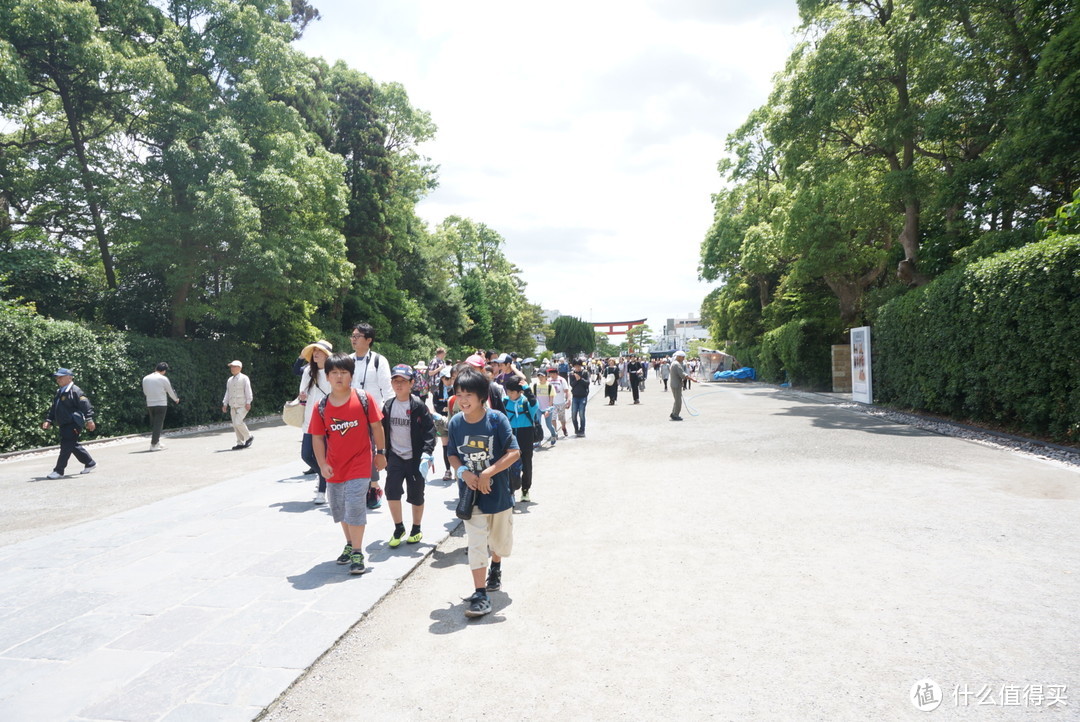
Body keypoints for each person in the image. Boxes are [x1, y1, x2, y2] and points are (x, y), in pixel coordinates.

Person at [447, 368, 520, 618]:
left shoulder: (497, 419)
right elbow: (452, 454)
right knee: (477, 543)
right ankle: (480, 594)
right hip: (472, 496)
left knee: (500, 542)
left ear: (482, 397)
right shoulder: (455, 422)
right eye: (458, 394)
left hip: (498, 492)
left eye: (468, 394)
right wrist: (464, 473)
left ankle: (496, 566)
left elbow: (514, 452)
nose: (463, 400)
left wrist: (488, 472)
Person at [309, 353, 387, 575]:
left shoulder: (363, 398)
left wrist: (380, 453)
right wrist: (322, 464)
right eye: (334, 372)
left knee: (354, 505)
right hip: (334, 467)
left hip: (361, 463)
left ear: (351, 376)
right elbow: (317, 437)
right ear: (327, 376)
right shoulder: (321, 407)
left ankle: (358, 552)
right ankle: (351, 544)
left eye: (344, 372)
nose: (339, 377)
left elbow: (377, 427)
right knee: (341, 509)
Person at [383, 364, 436, 548]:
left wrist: (427, 454)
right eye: (395, 381)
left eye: (403, 381)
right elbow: (382, 431)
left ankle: (416, 528)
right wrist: (381, 453)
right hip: (395, 457)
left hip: (415, 458)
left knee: (416, 495)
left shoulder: (418, 406)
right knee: (391, 492)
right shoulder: (388, 406)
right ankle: (398, 527)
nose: (399, 385)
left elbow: (430, 431)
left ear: (412, 383)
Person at [349, 322, 393, 507]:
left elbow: (387, 389)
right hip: (351, 414)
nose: (353, 339)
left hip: (373, 414)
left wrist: (391, 411)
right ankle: (360, 486)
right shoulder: (347, 360)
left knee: (372, 452)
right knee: (354, 452)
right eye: (352, 336)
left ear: (368, 340)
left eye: (357, 336)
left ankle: (374, 487)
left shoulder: (378, 360)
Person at [42, 368, 97, 478]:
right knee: (72, 445)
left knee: (66, 446)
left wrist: (89, 420)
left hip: (73, 423)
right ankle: (90, 463)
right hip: (64, 423)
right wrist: (48, 420)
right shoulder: (60, 391)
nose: (58, 379)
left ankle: (58, 471)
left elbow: (86, 406)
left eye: (60, 377)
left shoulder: (76, 391)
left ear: (69, 377)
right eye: (57, 377)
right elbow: (54, 408)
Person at [299, 340, 333, 504]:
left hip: (326, 419)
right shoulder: (308, 372)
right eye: (314, 351)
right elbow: (302, 393)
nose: (316, 354)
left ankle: (322, 491)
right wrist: (302, 397)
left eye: (319, 351)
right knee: (306, 454)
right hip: (309, 419)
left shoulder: (332, 371)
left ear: (327, 354)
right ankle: (323, 474)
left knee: (324, 456)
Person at [502, 376, 538, 502]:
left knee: (526, 464)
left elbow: (534, 404)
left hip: (526, 434)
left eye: (512, 392)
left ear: (519, 391)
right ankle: (511, 491)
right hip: (510, 435)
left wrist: (527, 389)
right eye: (508, 391)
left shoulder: (526, 402)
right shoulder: (505, 401)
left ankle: (525, 490)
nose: (509, 394)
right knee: (509, 464)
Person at [141, 362, 179, 451]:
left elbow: (145, 392)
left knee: (155, 423)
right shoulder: (163, 378)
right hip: (161, 403)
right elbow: (170, 390)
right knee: (158, 424)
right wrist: (176, 399)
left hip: (150, 403)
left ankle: (157, 441)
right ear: (164, 371)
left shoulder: (145, 378)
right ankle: (153, 445)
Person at [221, 360, 253, 450]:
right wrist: (225, 403)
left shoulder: (244, 378)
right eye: (231, 367)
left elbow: (248, 391)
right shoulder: (229, 380)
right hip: (233, 405)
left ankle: (249, 436)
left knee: (238, 422)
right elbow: (228, 392)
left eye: (234, 366)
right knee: (235, 424)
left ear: (240, 368)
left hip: (242, 404)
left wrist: (248, 402)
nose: (232, 368)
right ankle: (240, 442)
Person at [432, 365, 455, 480]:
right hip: (442, 422)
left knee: (456, 445)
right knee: (445, 446)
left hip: (454, 420)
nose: (449, 381)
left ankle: (458, 470)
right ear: (442, 379)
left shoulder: (456, 390)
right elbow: (436, 406)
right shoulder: (437, 392)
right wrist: (445, 408)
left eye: (451, 378)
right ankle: (447, 470)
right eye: (447, 378)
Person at [531, 367, 557, 445]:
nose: (540, 378)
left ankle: (553, 434)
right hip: (538, 408)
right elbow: (534, 397)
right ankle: (539, 440)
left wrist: (548, 410)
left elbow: (551, 400)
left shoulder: (550, 386)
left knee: (549, 425)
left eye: (542, 376)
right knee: (538, 425)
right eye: (539, 376)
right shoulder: (535, 385)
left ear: (546, 376)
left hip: (547, 408)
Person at [669, 350, 697, 421]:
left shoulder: (675, 363)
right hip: (676, 384)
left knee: (677, 400)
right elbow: (683, 374)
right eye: (682, 357)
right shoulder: (676, 364)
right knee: (678, 401)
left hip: (675, 384)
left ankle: (673, 413)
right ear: (678, 357)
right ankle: (675, 414)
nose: (683, 358)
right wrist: (692, 379)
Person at [569, 358, 590, 437]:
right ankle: (576, 429)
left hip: (583, 396)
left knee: (581, 414)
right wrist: (576, 380)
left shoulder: (585, 373)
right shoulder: (571, 374)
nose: (577, 367)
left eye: (579, 366)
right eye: (575, 366)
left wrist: (580, 379)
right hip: (575, 396)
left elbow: (587, 383)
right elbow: (571, 384)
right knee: (573, 414)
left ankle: (582, 430)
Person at [548, 367, 570, 437]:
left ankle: (563, 427)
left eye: (552, 374)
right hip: (552, 403)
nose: (551, 375)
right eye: (550, 374)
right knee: (553, 418)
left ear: (556, 373)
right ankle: (555, 432)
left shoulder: (561, 380)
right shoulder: (548, 381)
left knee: (562, 418)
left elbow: (566, 391)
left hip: (561, 402)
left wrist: (568, 399)